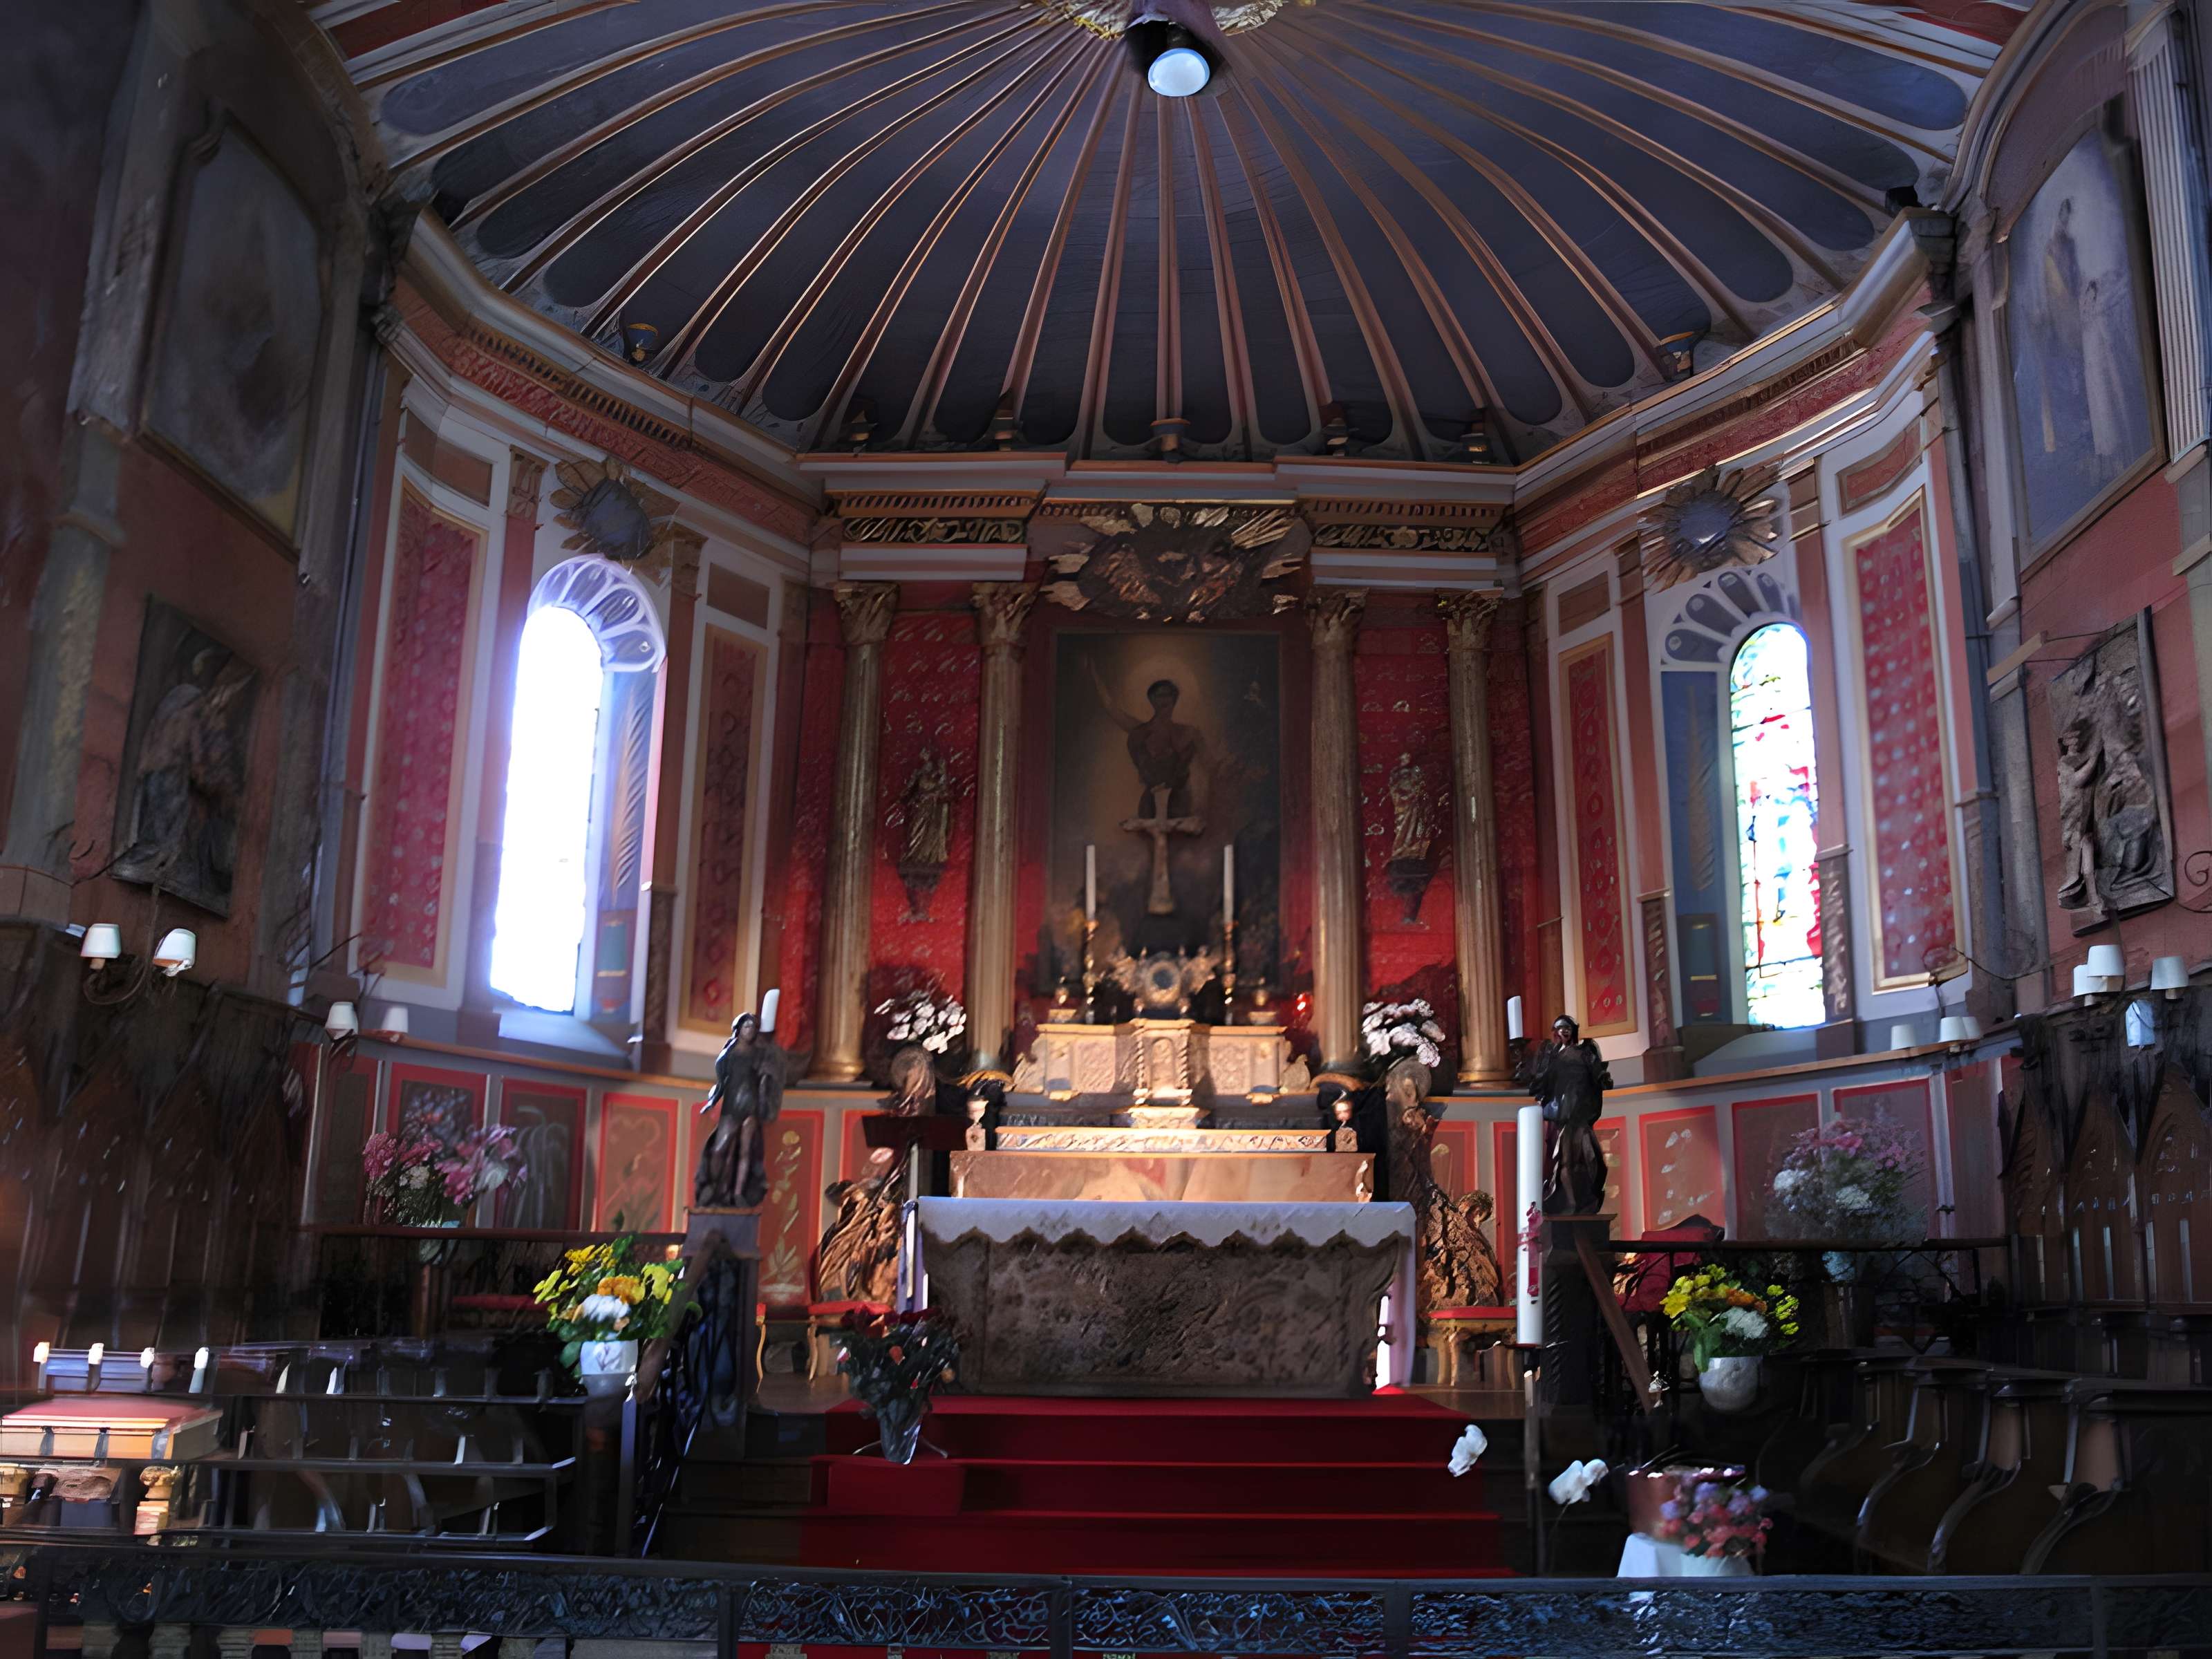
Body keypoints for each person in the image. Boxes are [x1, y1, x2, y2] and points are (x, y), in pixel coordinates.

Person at [1519, 1014, 1612, 1215]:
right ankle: (1570, 1202)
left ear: (1573, 1030)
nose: (1565, 1031)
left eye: (1568, 1028)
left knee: (1592, 1159)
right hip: (1562, 1116)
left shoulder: (1585, 1052)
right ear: (1556, 1032)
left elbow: (1598, 1073)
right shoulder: (1551, 1056)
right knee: (1564, 1160)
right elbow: (1540, 1083)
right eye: (1561, 1028)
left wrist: (1603, 1079)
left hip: (1580, 1114)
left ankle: (1587, 1199)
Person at [693, 1013, 782, 1208]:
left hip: (751, 1107)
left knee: (745, 1152)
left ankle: (738, 1193)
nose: (750, 1031)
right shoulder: (729, 1054)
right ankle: (716, 1187)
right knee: (719, 1149)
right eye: (746, 1027)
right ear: (739, 1029)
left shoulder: (760, 1054)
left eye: (753, 1027)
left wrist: (767, 1076)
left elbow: (768, 1079)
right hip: (732, 1107)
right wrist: (712, 1102)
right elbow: (721, 1083)